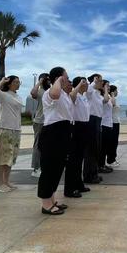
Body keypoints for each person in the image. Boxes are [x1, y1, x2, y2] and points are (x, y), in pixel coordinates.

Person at [37, 67, 73, 215]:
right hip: (52, 133)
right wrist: (57, 80)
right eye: (65, 77)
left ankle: (51, 199)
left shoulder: (64, 94)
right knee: (49, 169)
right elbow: (55, 93)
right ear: (59, 78)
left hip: (63, 132)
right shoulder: (49, 93)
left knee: (57, 169)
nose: (67, 79)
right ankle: (46, 204)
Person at [0, 75, 25, 192]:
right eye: (15, 82)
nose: (18, 83)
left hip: (16, 129)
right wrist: (2, 81)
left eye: (19, 81)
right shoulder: (3, 95)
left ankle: (6, 181)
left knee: (11, 157)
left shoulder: (18, 96)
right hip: (5, 128)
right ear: (9, 84)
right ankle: (0, 184)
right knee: (1, 157)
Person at [64, 76, 91, 198]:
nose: (87, 84)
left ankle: (78, 184)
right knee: (73, 160)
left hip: (85, 127)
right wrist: (79, 84)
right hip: (76, 128)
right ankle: (69, 188)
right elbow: (71, 96)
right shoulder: (74, 95)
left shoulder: (84, 96)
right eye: (85, 83)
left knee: (80, 158)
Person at [84, 73, 110, 183]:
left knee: (96, 149)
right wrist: (95, 81)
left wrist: (105, 88)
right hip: (91, 120)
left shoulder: (98, 94)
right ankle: (89, 176)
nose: (102, 83)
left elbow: (105, 100)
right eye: (101, 81)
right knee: (91, 150)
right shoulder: (90, 92)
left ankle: (94, 173)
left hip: (97, 121)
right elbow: (89, 88)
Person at [30, 73, 50, 177]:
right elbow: (33, 93)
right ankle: (36, 168)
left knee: (47, 146)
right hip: (39, 121)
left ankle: (44, 166)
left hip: (49, 122)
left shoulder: (49, 91)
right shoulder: (40, 91)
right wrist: (40, 82)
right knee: (38, 145)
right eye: (47, 79)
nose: (49, 81)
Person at [99, 80, 114, 172]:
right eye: (107, 85)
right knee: (102, 147)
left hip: (108, 124)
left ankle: (103, 164)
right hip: (103, 124)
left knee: (106, 147)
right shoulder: (101, 96)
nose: (109, 87)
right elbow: (105, 101)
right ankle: (100, 165)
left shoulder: (107, 96)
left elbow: (112, 104)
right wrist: (105, 90)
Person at [107, 85, 120, 167]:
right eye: (116, 90)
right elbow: (113, 104)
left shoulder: (113, 98)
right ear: (113, 91)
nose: (117, 92)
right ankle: (111, 160)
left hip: (116, 122)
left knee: (115, 142)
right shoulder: (110, 98)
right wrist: (111, 95)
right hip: (112, 123)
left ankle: (113, 158)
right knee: (113, 142)